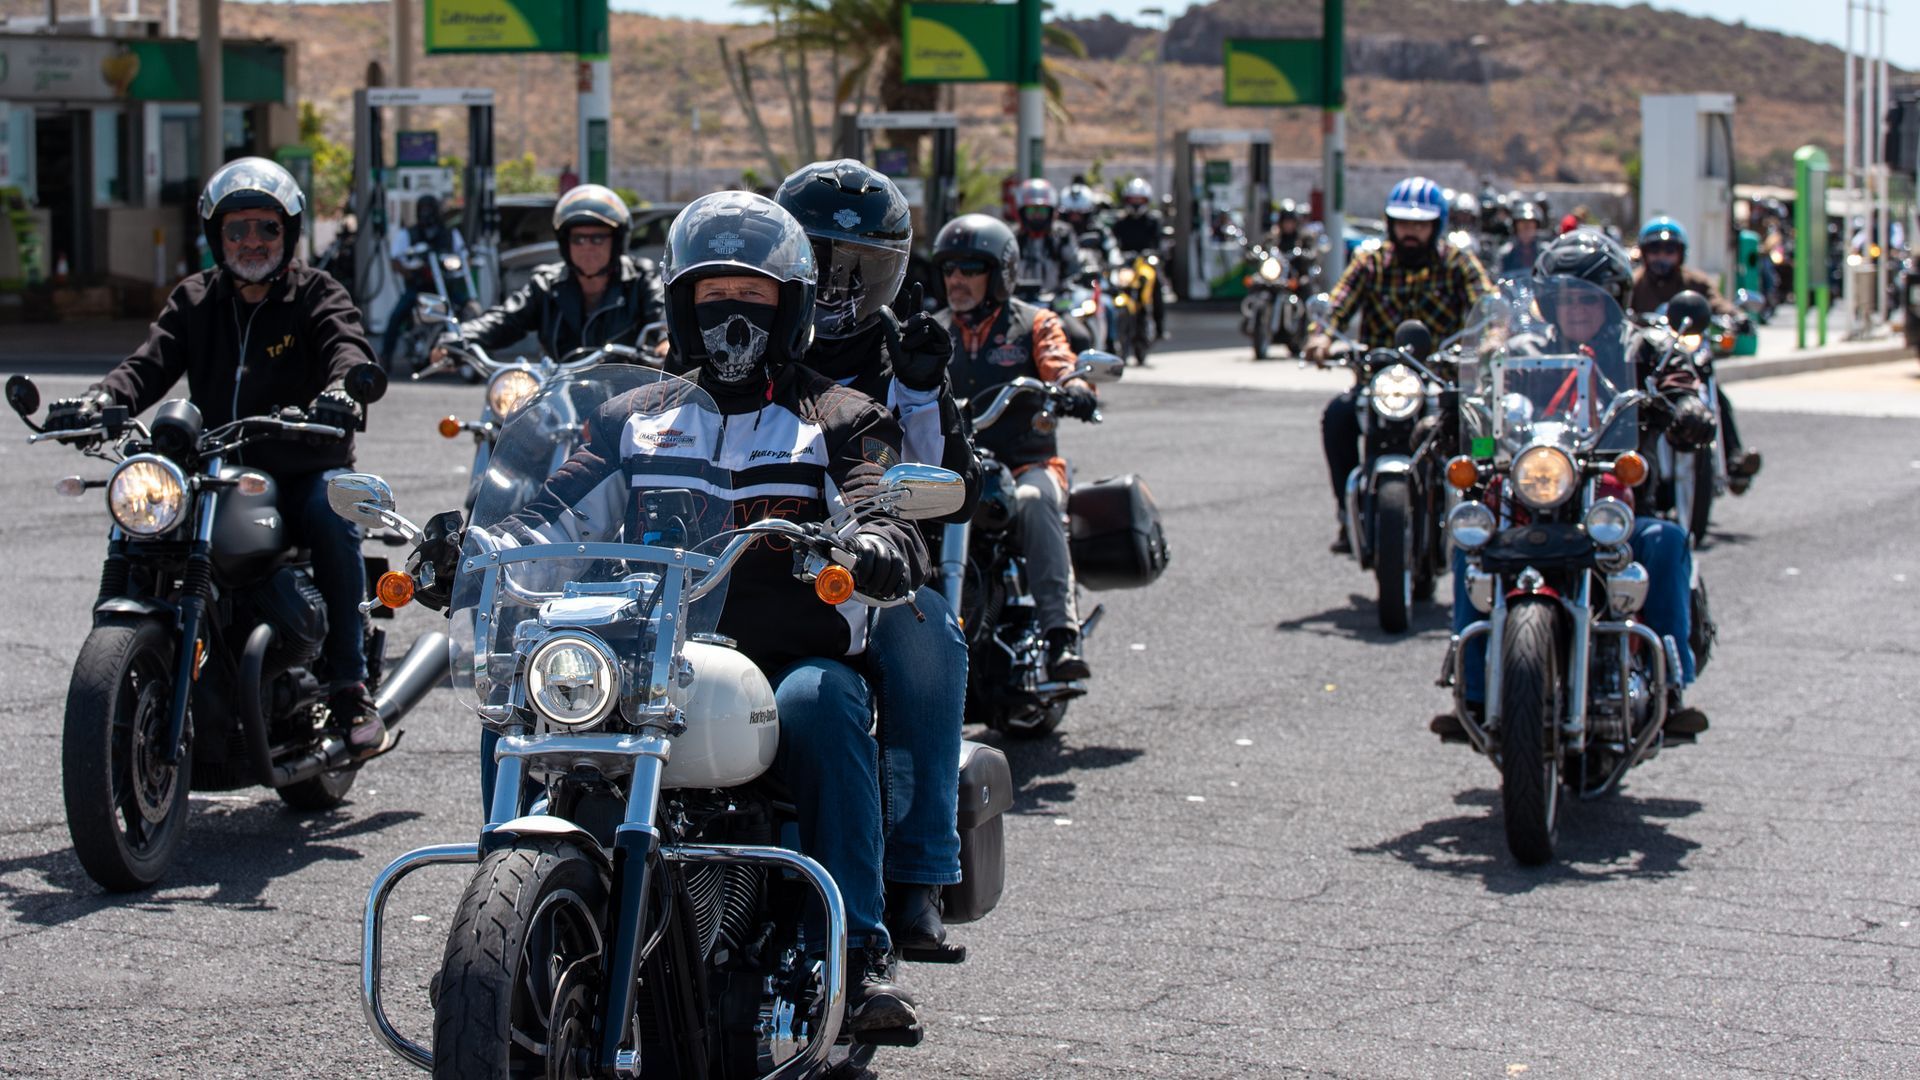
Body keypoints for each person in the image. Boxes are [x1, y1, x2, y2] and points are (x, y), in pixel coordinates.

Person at [466, 190, 930, 1037]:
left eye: (753, 298)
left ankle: (856, 953)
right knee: (518, 708)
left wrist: (879, 543)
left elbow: (877, 503)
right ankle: (503, 946)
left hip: (781, 662)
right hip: (644, 658)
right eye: (714, 298)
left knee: (823, 703)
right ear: (681, 306)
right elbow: (548, 515)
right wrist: (472, 545)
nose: (732, 317)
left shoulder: (841, 420)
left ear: (791, 308)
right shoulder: (629, 418)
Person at [41, 157, 388, 757]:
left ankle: (347, 682)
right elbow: (149, 362)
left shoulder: (316, 294)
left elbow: (345, 343)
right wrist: (103, 399)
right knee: (142, 523)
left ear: (289, 232)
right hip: (214, 468)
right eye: (237, 230)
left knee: (332, 517)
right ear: (216, 237)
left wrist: (342, 389)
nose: (251, 242)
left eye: (265, 228)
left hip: (301, 464)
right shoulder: (195, 299)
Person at [774, 159, 980, 964]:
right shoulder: (736, 330)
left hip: (868, 566)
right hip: (740, 557)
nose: (833, 287)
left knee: (927, 634)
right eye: (816, 261)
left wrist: (924, 393)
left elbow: (951, 491)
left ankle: (919, 876)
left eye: (856, 268)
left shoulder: (910, 354)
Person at [1438, 229, 1711, 740]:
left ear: (1614, 298)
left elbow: (1678, 378)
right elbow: (1483, 403)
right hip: (1532, 494)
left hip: (1612, 502)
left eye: (1590, 297)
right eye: (1565, 298)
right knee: (1470, 546)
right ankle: (1472, 690)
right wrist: (1455, 411)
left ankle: (1672, 687)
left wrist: (1688, 405)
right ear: (1546, 302)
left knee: (1665, 540)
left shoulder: (1643, 345)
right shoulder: (1521, 349)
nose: (1578, 308)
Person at [931, 213, 1097, 684]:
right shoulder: (931, 330)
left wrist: (1074, 387)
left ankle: (1062, 634)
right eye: (949, 270)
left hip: (1026, 463)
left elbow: (1063, 365)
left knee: (1036, 501)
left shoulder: (1035, 323)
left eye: (970, 268)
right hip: (956, 469)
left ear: (1000, 274)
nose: (957, 280)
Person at [1305, 176, 1495, 553]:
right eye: (1404, 223)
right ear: (1391, 224)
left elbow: (1486, 304)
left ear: (1435, 225)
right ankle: (1348, 514)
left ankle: (1484, 514)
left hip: (1441, 380)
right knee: (1337, 417)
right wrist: (1321, 336)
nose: (1411, 232)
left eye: (1420, 224)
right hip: (1382, 382)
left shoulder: (1457, 263)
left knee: (1482, 430)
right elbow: (1340, 303)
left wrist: (1493, 337)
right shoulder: (1371, 262)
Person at [434, 184, 666, 365]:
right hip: (561, 400)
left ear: (616, 242)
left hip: (627, 402)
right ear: (566, 244)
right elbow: (505, 319)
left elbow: (663, 316)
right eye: (578, 239)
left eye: (597, 238)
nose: (587, 247)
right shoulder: (547, 285)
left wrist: (666, 342)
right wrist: (458, 339)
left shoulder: (640, 280)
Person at [1629, 216, 1763, 491]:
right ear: (1644, 253)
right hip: (1652, 362)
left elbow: (1716, 302)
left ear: (1680, 253)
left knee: (1717, 396)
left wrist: (1736, 316)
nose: (1661, 257)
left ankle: (1734, 459)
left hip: (1690, 356)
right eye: (1655, 251)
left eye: (1669, 251)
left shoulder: (1694, 282)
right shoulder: (1633, 285)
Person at [380, 193, 469, 367]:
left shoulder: (450, 234)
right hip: (419, 287)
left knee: (467, 309)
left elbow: (464, 256)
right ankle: (385, 356)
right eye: (423, 209)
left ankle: (476, 352)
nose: (427, 213)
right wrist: (410, 272)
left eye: (430, 209)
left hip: (445, 287)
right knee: (397, 316)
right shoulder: (409, 233)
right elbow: (395, 260)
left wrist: (456, 264)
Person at [1109, 177, 1170, 340]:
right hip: (1126, 264)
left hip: (1145, 263)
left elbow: (1160, 243)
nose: (1136, 203)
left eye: (1139, 200)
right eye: (1132, 200)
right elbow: (1113, 243)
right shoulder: (1121, 222)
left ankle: (1159, 326)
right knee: (1115, 286)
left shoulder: (1153, 220)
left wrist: (1154, 253)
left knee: (1155, 285)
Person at [1011, 177, 1082, 297]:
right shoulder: (1012, 238)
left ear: (1051, 213)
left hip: (1057, 302)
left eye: (1042, 211)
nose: (1037, 215)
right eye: (1032, 211)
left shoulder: (1062, 236)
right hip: (1019, 302)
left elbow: (1074, 267)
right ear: (1022, 213)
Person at [1496, 200, 1544, 278]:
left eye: (1530, 224)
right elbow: (1499, 278)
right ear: (1515, 227)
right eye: (1522, 224)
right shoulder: (1506, 253)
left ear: (1536, 226)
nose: (1526, 228)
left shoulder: (1544, 252)